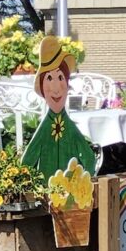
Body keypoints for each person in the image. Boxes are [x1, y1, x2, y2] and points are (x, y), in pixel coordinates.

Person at [22, 36, 97, 180]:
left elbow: (88, 157)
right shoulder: (45, 128)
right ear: (42, 86)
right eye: (49, 78)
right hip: (46, 195)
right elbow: (27, 161)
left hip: (71, 194)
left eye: (61, 78)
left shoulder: (69, 127)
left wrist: (85, 182)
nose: (56, 89)